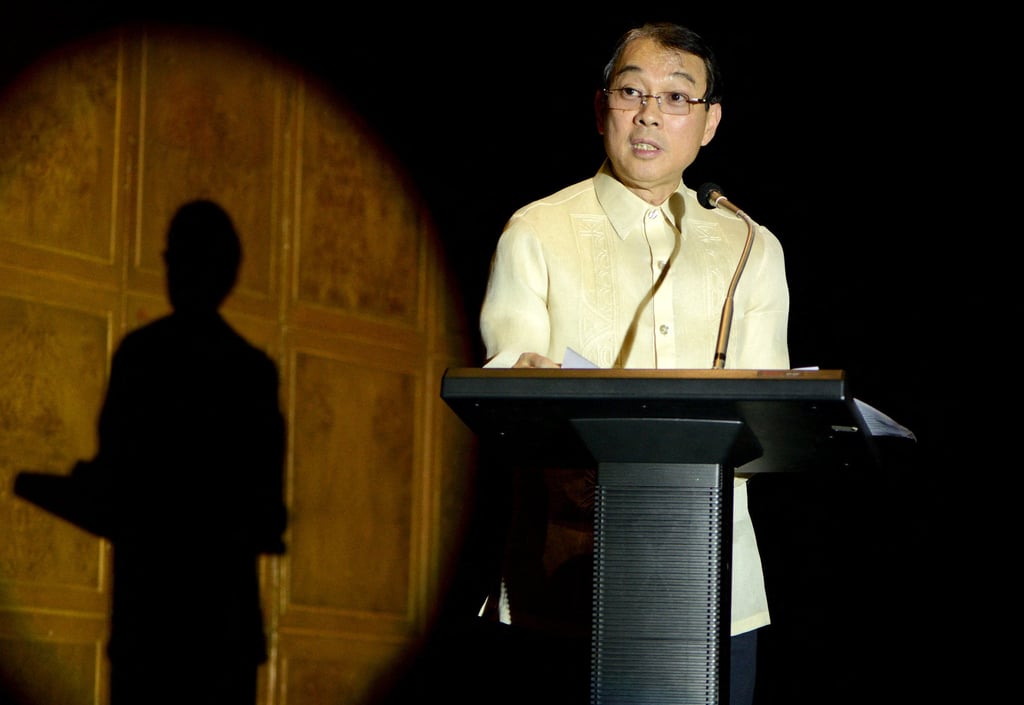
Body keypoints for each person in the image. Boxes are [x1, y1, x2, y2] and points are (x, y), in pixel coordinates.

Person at [477, 22, 788, 705]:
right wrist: (527, 385)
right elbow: (504, 397)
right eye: (631, 91)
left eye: (677, 97)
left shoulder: (751, 246)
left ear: (709, 123)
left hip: (715, 591)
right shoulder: (536, 231)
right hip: (565, 581)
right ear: (601, 109)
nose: (650, 113)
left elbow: (770, 423)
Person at [19, 200, 288, 705]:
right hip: (223, 627)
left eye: (180, 257)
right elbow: (266, 508)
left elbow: (115, 476)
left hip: (148, 620)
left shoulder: (141, 355)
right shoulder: (251, 372)